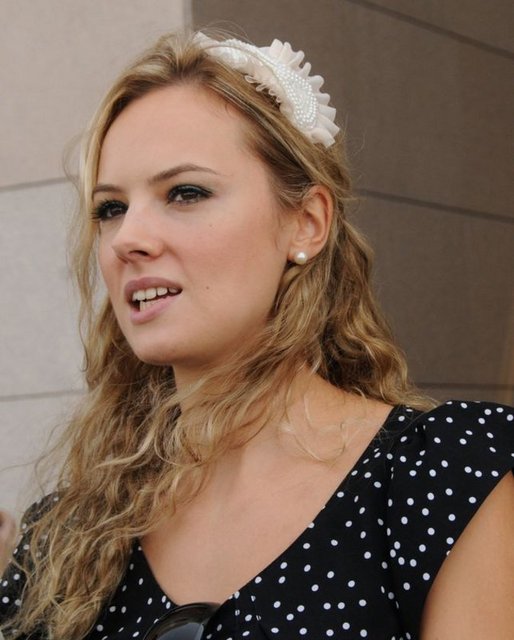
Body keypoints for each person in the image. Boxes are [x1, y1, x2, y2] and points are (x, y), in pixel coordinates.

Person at [0, 30, 513, 640]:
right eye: (111, 208)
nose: (128, 239)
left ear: (306, 222)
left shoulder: (439, 476)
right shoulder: (65, 535)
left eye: (185, 193)